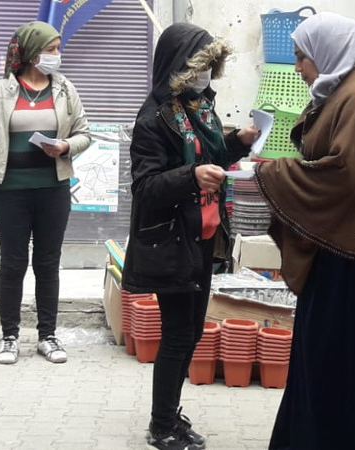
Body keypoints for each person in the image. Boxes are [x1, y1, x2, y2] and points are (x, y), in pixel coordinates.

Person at [253, 13, 355, 450]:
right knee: (326, 361)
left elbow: (341, 173)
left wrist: (273, 173)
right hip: (338, 250)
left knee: (341, 364)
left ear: (327, 53)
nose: (297, 68)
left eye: (302, 57)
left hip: (352, 263)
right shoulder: (339, 94)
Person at [121, 23, 258, 450]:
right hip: (171, 240)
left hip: (203, 235)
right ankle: (162, 424)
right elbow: (145, 187)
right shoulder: (153, 119)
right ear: (179, 67)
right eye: (200, 65)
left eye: (211, 66)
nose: (206, 74)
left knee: (193, 332)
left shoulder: (200, 108)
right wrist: (191, 176)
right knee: (179, 334)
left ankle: (169, 415)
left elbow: (211, 156)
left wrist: (238, 141)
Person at [0, 21, 90, 365]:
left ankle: (47, 336)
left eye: (58, 48)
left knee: (47, 264)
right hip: (11, 193)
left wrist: (64, 146)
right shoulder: (0, 91)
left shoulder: (65, 89)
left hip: (53, 191)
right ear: (33, 53)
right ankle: (9, 336)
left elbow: (84, 133)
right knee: (13, 263)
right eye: (51, 49)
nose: (57, 55)